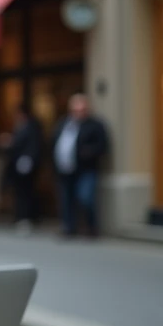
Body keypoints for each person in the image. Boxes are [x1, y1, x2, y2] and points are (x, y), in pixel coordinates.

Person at [51, 92, 109, 238]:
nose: (78, 113)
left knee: (86, 198)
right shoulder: (64, 123)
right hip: (65, 168)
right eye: (75, 110)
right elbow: (54, 141)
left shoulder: (95, 125)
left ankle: (91, 227)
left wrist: (87, 153)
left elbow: (102, 146)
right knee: (66, 199)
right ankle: (69, 227)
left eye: (81, 110)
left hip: (85, 169)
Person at [1, 104, 43, 235]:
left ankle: (26, 217)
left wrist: (29, 159)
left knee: (26, 192)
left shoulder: (31, 127)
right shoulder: (20, 126)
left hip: (26, 164)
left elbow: (33, 145)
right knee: (20, 192)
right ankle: (21, 216)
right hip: (18, 165)